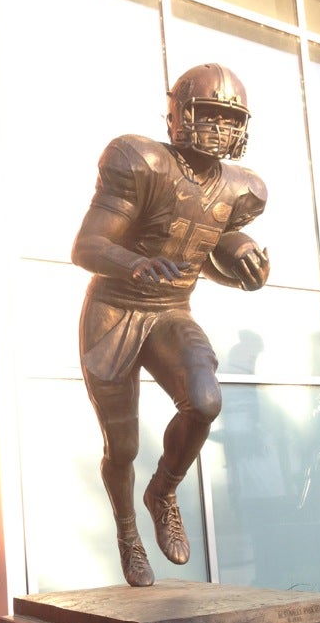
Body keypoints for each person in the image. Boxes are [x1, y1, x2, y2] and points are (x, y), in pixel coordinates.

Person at [71, 63, 270, 587]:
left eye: (231, 119)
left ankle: (162, 490)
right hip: (114, 310)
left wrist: (245, 255)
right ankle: (127, 533)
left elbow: (208, 247)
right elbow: (87, 246)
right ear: (180, 113)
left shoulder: (240, 188)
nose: (222, 128)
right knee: (123, 447)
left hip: (170, 311)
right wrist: (130, 262)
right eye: (211, 114)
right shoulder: (143, 161)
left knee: (205, 401)